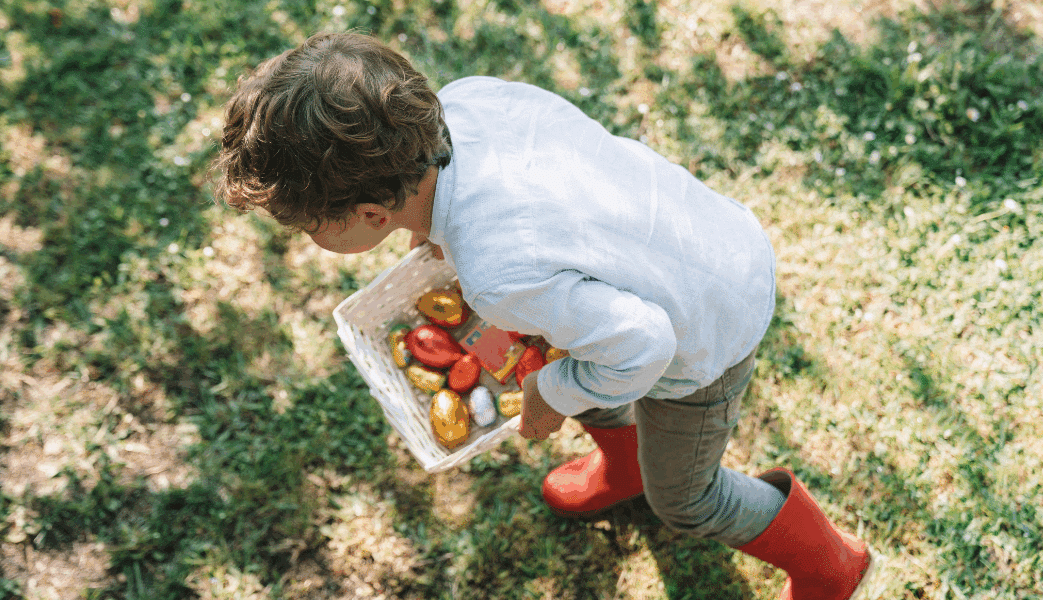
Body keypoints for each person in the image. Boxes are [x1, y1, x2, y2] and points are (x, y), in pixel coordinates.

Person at [212, 31, 876, 599]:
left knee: (685, 496)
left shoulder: (501, 278)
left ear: (371, 217)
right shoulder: (467, 102)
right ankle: (625, 467)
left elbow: (644, 345)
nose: (305, 238)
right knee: (564, 347)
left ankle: (830, 566)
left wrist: (547, 394)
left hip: (705, 333)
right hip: (696, 237)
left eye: (306, 228)